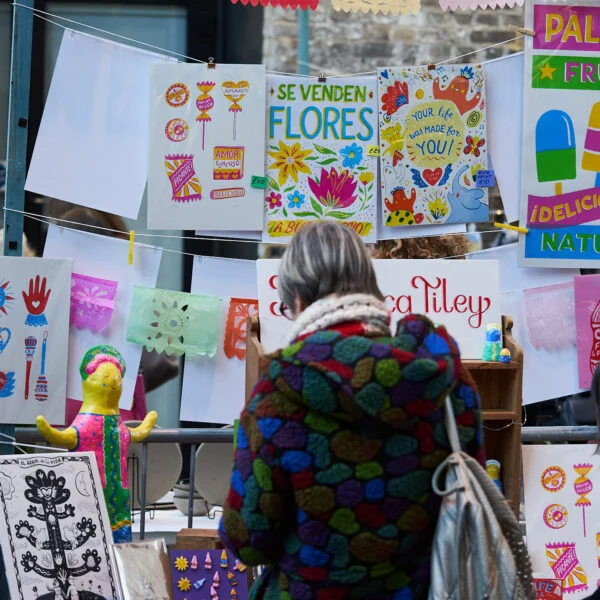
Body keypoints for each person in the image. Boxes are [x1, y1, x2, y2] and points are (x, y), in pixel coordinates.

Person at [219, 221, 484, 600]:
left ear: (296, 301)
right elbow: (473, 487)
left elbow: (249, 540)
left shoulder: (277, 393)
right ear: (370, 285)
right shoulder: (445, 379)